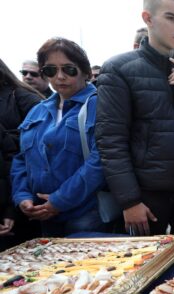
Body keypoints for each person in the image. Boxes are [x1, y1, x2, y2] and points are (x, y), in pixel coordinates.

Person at [96, 0, 174, 236]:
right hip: (146, 197)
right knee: (144, 267)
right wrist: (129, 201)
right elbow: (111, 141)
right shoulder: (119, 69)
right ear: (147, 18)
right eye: (171, 18)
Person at [11, 37, 108, 237]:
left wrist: (60, 200)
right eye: (50, 70)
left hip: (86, 215)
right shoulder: (37, 111)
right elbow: (21, 159)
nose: (60, 76)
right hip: (43, 216)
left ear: (86, 72)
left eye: (69, 69)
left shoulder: (99, 106)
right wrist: (22, 196)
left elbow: (101, 160)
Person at [0, 58, 43, 249]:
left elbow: (41, 140)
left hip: (24, 185)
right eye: (24, 72)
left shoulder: (22, 96)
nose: (28, 77)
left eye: (33, 73)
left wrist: (11, 210)